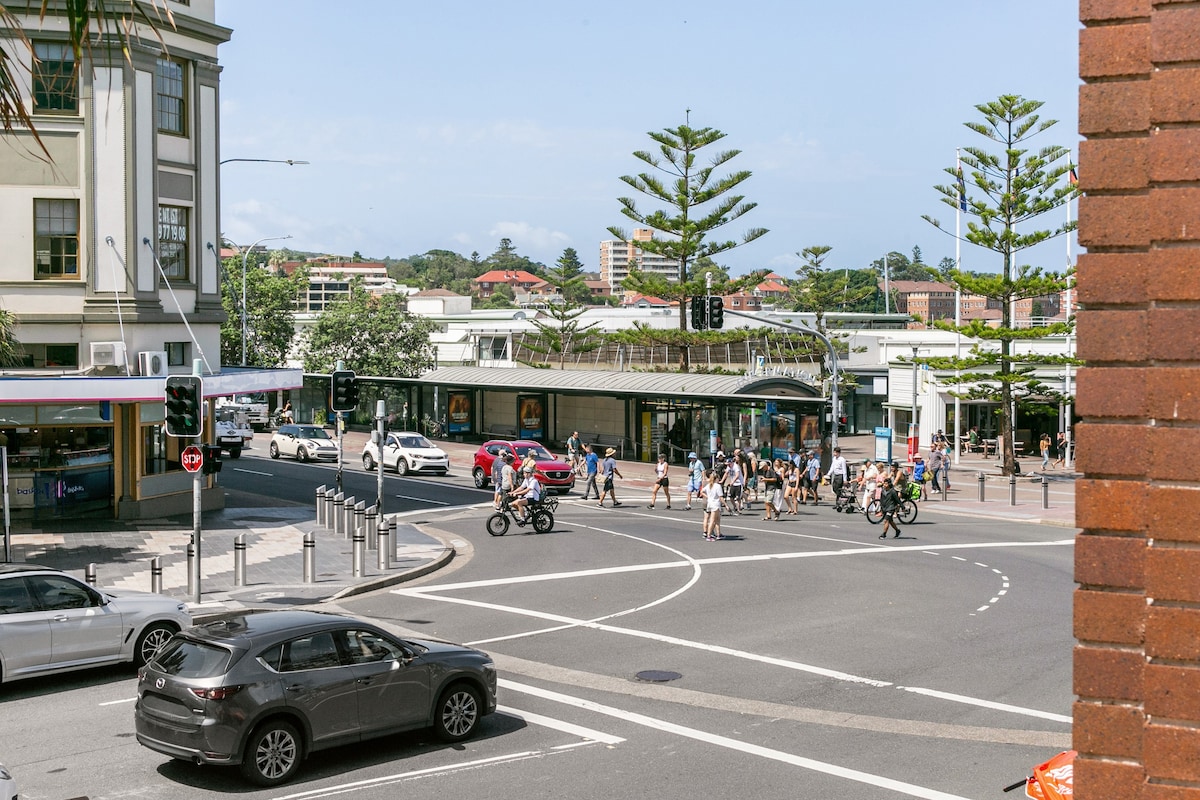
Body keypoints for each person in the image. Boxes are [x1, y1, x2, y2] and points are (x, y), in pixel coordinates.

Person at [701, 469, 725, 541]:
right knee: (712, 520)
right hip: (715, 504)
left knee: (717, 520)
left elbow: (701, 491)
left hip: (709, 503)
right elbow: (721, 497)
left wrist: (707, 497)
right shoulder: (717, 486)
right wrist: (726, 505)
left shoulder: (707, 484)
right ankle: (709, 535)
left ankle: (718, 534)